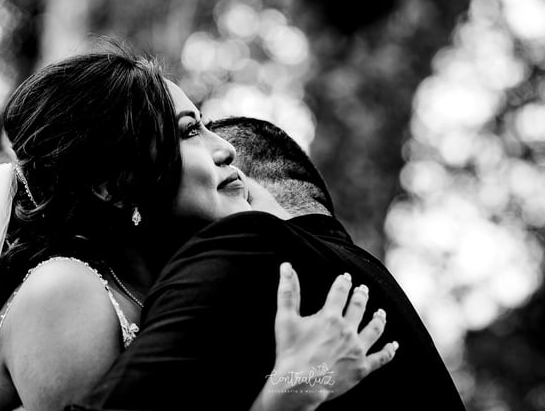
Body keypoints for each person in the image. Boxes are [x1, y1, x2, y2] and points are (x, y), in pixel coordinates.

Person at [0, 49, 394, 411]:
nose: (226, 148)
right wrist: (291, 393)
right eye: (189, 132)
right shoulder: (65, 292)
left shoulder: (166, 296)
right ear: (111, 185)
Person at [71, 111, 466, 408]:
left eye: (194, 130)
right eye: (192, 132)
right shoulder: (375, 279)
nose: (220, 151)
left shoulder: (246, 242)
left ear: (239, 182)